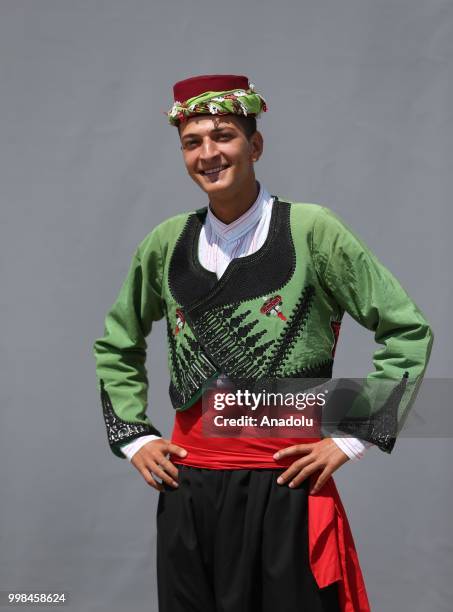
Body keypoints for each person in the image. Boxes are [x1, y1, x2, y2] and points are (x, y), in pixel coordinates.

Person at [93, 74, 433, 612]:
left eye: (223, 136)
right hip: (191, 488)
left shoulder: (312, 229)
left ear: (255, 145)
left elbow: (407, 331)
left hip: (288, 484)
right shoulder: (165, 242)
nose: (208, 154)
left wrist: (348, 437)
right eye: (192, 142)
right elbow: (118, 343)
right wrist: (135, 436)